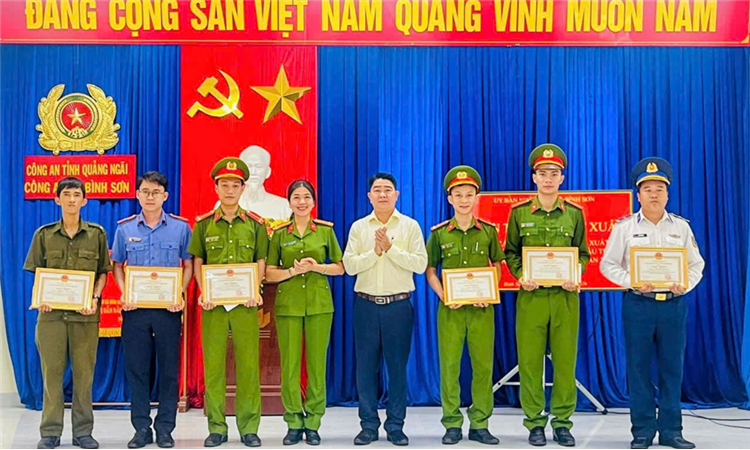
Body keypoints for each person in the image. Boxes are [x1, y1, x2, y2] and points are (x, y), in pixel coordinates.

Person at [601, 157, 704, 450]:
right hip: (639, 305)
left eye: (659, 189)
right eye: (648, 189)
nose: (654, 194)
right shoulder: (624, 227)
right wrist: (632, 281)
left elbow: (696, 264)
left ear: (668, 194)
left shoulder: (681, 227)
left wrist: (685, 284)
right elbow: (608, 265)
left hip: (673, 305)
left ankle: (672, 431)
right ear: (638, 195)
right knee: (638, 369)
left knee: (672, 369)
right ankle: (642, 431)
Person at [504, 144, 590, 447]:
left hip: (565, 298)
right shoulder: (519, 213)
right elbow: (510, 252)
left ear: (562, 178)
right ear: (534, 177)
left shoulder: (575, 214)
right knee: (530, 363)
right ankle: (535, 423)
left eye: (554, 173)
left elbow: (583, 253)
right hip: (532, 298)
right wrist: (520, 275)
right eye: (543, 173)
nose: (548, 178)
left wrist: (575, 273)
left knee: (565, 364)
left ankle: (563, 423)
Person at [24, 177, 112, 450]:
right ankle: (50, 432)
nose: (72, 199)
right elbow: (37, 272)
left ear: (84, 200)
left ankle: (83, 433)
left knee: (84, 377)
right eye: (66, 194)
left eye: (76, 195)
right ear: (57, 199)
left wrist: (94, 297)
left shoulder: (96, 234)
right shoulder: (44, 234)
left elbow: (103, 272)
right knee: (51, 376)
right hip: (51, 318)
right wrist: (42, 298)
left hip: (85, 317)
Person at [188, 157, 269, 448]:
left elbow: (261, 260)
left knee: (248, 367)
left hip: (246, 305)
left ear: (243, 188)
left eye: (235, 185)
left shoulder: (256, 224)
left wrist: (256, 288)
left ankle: (249, 428)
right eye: (225, 185)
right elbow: (198, 261)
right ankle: (216, 427)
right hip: (215, 306)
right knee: (214, 367)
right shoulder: (203, 224)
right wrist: (204, 292)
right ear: (216, 188)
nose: (230, 190)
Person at [343, 173, 428, 446]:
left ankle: (395, 426)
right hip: (366, 306)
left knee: (397, 369)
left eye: (387, 189)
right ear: (369, 196)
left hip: (398, 307)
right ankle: (368, 426)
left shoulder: (410, 226)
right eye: (377, 190)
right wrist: (375, 253)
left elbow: (420, 264)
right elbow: (349, 266)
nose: (382, 194)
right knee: (365, 369)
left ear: (396, 194)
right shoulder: (359, 227)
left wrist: (390, 249)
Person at [111, 171, 193, 449]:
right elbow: (117, 265)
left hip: (168, 309)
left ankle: (165, 429)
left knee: (169, 371)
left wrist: (179, 292)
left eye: (156, 192)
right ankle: (141, 429)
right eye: (145, 191)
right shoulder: (125, 229)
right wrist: (125, 292)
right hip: (135, 310)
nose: (150, 196)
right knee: (137, 370)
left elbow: (188, 264)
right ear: (137, 194)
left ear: (165, 196)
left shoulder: (180, 228)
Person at [425, 166, 505, 446]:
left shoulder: (488, 232)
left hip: (482, 310)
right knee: (450, 367)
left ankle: (480, 423)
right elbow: (430, 270)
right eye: (458, 195)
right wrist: (444, 295)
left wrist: (490, 291)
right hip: (451, 311)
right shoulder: (439, 234)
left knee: (483, 367)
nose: (463, 200)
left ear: (476, 198)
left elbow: (497, 264)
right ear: (450, 198)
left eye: (469, 194)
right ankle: (451, 423)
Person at [265, 180, 345, 446]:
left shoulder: (325, 231)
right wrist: (291, 271)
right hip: (288, 306)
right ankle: (293, 421)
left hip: (319, 305)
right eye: (296, 197)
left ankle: (312, 423)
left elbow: (340, 267)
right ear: (289, 202)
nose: (301, 202)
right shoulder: (279, 234)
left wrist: (317, 267)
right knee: (289, 366)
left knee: (316, 366)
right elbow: (269, 273)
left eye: (306, 197)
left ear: (313, 201)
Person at [214, 145, 292, 220]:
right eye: (249, 167)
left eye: (258, 167)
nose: (253, 172)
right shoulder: (223, 204)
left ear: (268, 172)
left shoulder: (283, 206)